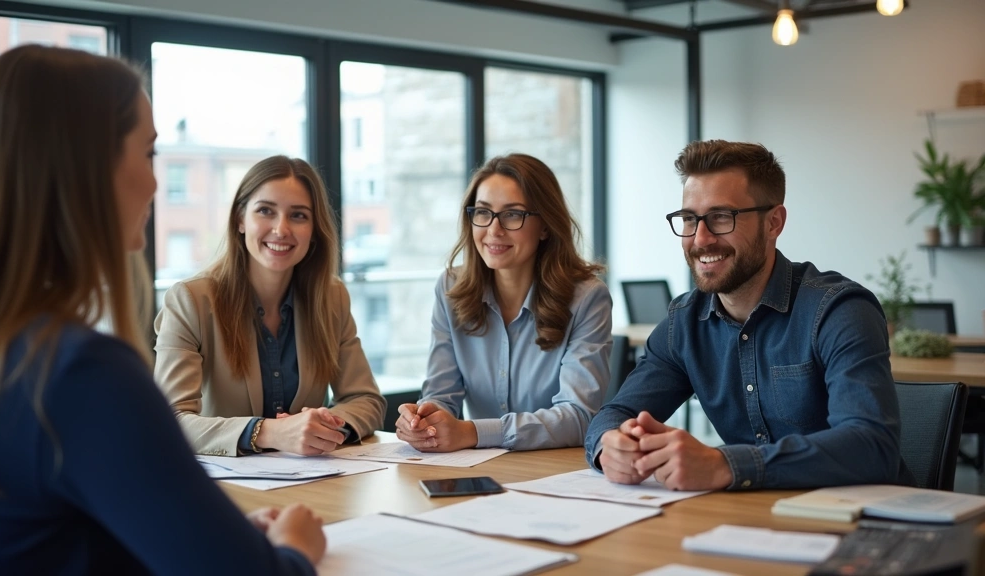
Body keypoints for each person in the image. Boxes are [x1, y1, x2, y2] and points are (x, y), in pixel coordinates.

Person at [0, 45, 324, 574]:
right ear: (89, 168)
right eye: (149, 154)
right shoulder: (81, 373)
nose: (155, 184)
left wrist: (196, 534)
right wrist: (293, 549)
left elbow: (43, 533)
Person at [585, 139, 915, 491]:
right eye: (689, 219)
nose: (701, 239)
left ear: (773, 222)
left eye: (721, 217)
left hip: (862, 523)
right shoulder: (684, 323)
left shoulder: (838, 311)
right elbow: (614, 415)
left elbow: (871, 447)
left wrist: (725, 464)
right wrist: (610, 445)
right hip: (753, 519)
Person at [154, 155, 386, 457]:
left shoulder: (331, 297)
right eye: (266, 211)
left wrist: (320, 428)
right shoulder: (189, 301)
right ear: (240, 219)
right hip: (228, 489)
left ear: (314, 230)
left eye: (299, 216)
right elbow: (169, 422)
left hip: (313, 481)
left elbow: (366, 399)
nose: (281, 229)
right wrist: (269, 433)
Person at [395, 153, 612, 452]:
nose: (494, 230)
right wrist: (423, 421)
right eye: (483, 213)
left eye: (513, 214)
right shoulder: (450, 288)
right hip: (476, 469)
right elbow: (442, 395)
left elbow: (578, 416)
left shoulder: (586, 298)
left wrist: (473, 432)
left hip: (554, 472)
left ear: (545, 226)